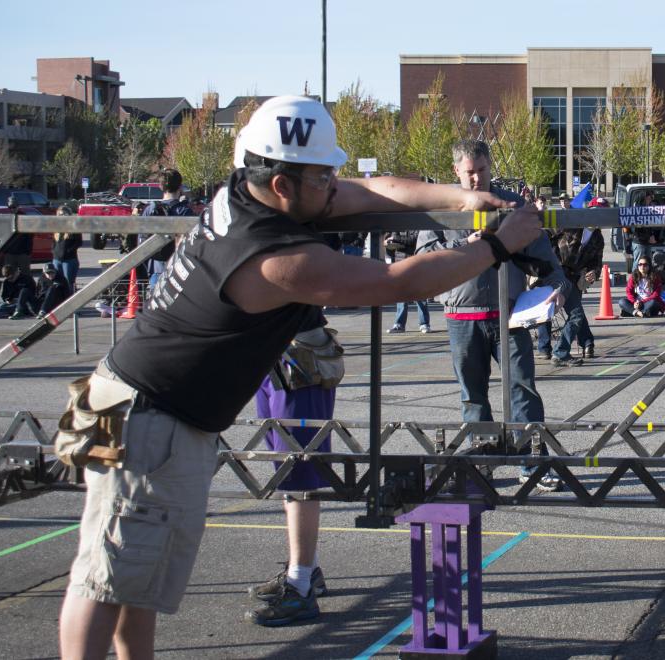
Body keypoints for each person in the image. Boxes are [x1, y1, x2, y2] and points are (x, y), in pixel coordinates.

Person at [57, 95, 542, 660]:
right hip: (149, 424)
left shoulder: (247, 196)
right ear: (284, 183)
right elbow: (394, 282)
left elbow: (374, 190)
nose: (335, 185)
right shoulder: (272, 257)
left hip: (155, 412)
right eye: (322, 176)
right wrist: (495, 244)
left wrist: (462, 197)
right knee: (104, 582)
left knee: (137, 582)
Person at [416, 139, 566, 489]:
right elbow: (425, 253)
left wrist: (557, 289)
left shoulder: (513, 206)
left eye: (481, 170)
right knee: (473, 394)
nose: (475, 179)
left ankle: (532, 463)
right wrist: (464, 246)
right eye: (468, 172)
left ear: (490, 166)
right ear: (456, 170)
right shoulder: (439, 208)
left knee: (522, 390)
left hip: (509, 313)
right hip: (461, 315)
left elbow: (546, 257)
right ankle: (480, 463)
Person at [247, 312, 340, 626]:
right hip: (267, 349)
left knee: (298, 470)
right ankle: (306, 569)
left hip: (299, 352)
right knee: (283, 468)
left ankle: (300, 586)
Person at [542, 201, 604, 364]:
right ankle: (555, 350)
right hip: (557, 273)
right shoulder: (570, 224)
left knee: (576, 314)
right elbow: (546, 235)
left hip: (574, 277)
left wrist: (593, 273)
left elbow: (597, 261)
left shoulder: (598, 237)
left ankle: (567, 349)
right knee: (556, 312)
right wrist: (553, 261)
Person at [142, 168, 194, 295]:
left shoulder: (149, 210)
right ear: (180, 187)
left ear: (160, 186)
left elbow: (141, 243)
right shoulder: (185, 212)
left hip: (155, 268)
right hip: (179, 272)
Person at [384, 229, 431, 333]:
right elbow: (394, 242)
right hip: (400, 263)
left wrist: (397, 240)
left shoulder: (415, 224)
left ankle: (424, 323)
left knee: (420, 295)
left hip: (415, 262)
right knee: (401, 295)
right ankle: (399, 324)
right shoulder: (397, 226)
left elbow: (413, 240)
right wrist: (389, 243)